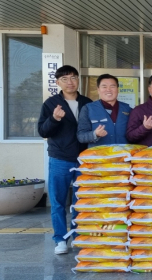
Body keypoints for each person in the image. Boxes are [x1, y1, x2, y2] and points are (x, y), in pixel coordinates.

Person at [37, 65, 92, 255]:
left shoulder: (87, 102)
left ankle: (77, 236)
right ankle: (60, 239)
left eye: (74, 77)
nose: (70, 82)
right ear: (58, 82)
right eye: (65, 79)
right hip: (60, 158)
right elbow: (42, 131)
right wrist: (54, 119)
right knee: (58, 201)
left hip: (84, 159)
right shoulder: (51, 103)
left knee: (80, 201)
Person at [77, 74, 132, 147]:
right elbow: (81, 136)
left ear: (118, 89)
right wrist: (95, 134)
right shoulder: (88, 108)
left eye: (112, 86)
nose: (108, 89)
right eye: (104, 86)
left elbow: (134, 133)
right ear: (98, 90)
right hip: (99, 156)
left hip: (123, 155)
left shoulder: (127, 109)